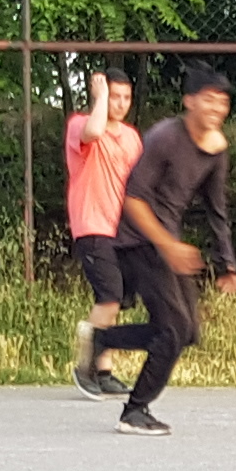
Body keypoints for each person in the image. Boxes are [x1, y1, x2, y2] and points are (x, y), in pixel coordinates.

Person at [73, 63, 234, 436]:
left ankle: (103, 339)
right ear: (189, 101)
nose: (217, 108)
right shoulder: (165, 137)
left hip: (166, 242)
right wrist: (167, 245)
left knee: (186, 331)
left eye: (223, 102)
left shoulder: (215, 149)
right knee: (173, 331)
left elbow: (217, 208)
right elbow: (133, 200)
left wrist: (227, 264)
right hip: (137, 240)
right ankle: (135, 410)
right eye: (209, 100)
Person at [63, 67, 144, 398]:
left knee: (115, 300)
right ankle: (85, 366)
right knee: (109, 296)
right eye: (115, 96)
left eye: (126, 97)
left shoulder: (132, 137)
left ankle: (105, 371)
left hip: (122, 230)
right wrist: (100, 97)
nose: (121, 103)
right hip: (93, 225)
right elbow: (94, 130)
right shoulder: (80, 125)